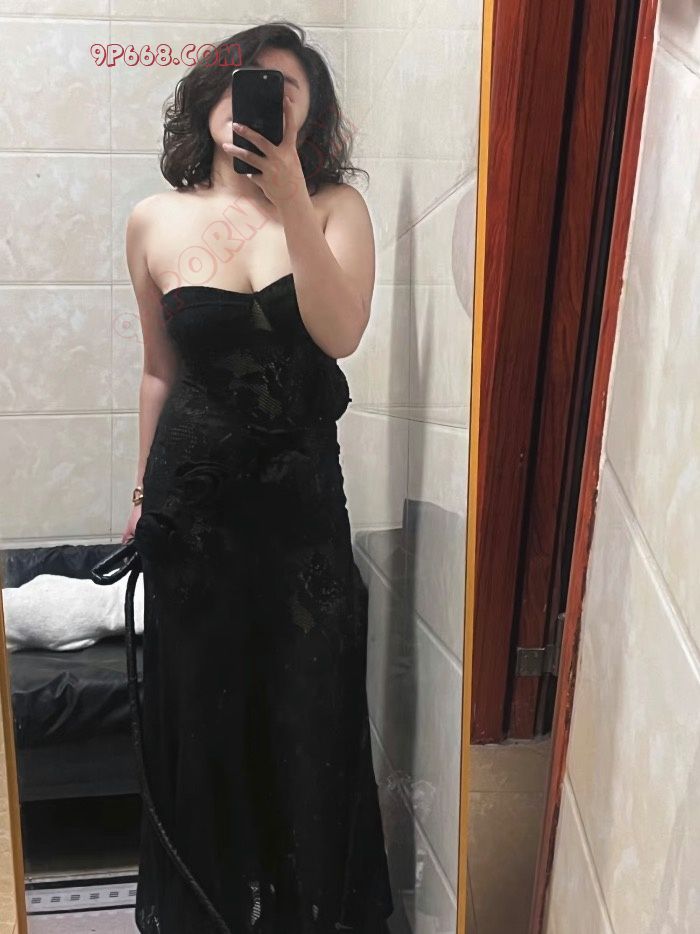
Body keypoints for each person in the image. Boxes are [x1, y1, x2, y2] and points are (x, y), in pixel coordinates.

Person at [121, 20, 394, 934]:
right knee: (202, 715)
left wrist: (291, 204)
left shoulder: (336, 207)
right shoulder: (153, 221)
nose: (263, 105)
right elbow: (159, 371)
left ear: (307, 119)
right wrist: (140, 497)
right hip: (191, 511)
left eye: (288, 93)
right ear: (211, 96)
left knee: (309, 708)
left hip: (300, 513)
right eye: (248, 84)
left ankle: (308, 916)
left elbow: (339, 332)